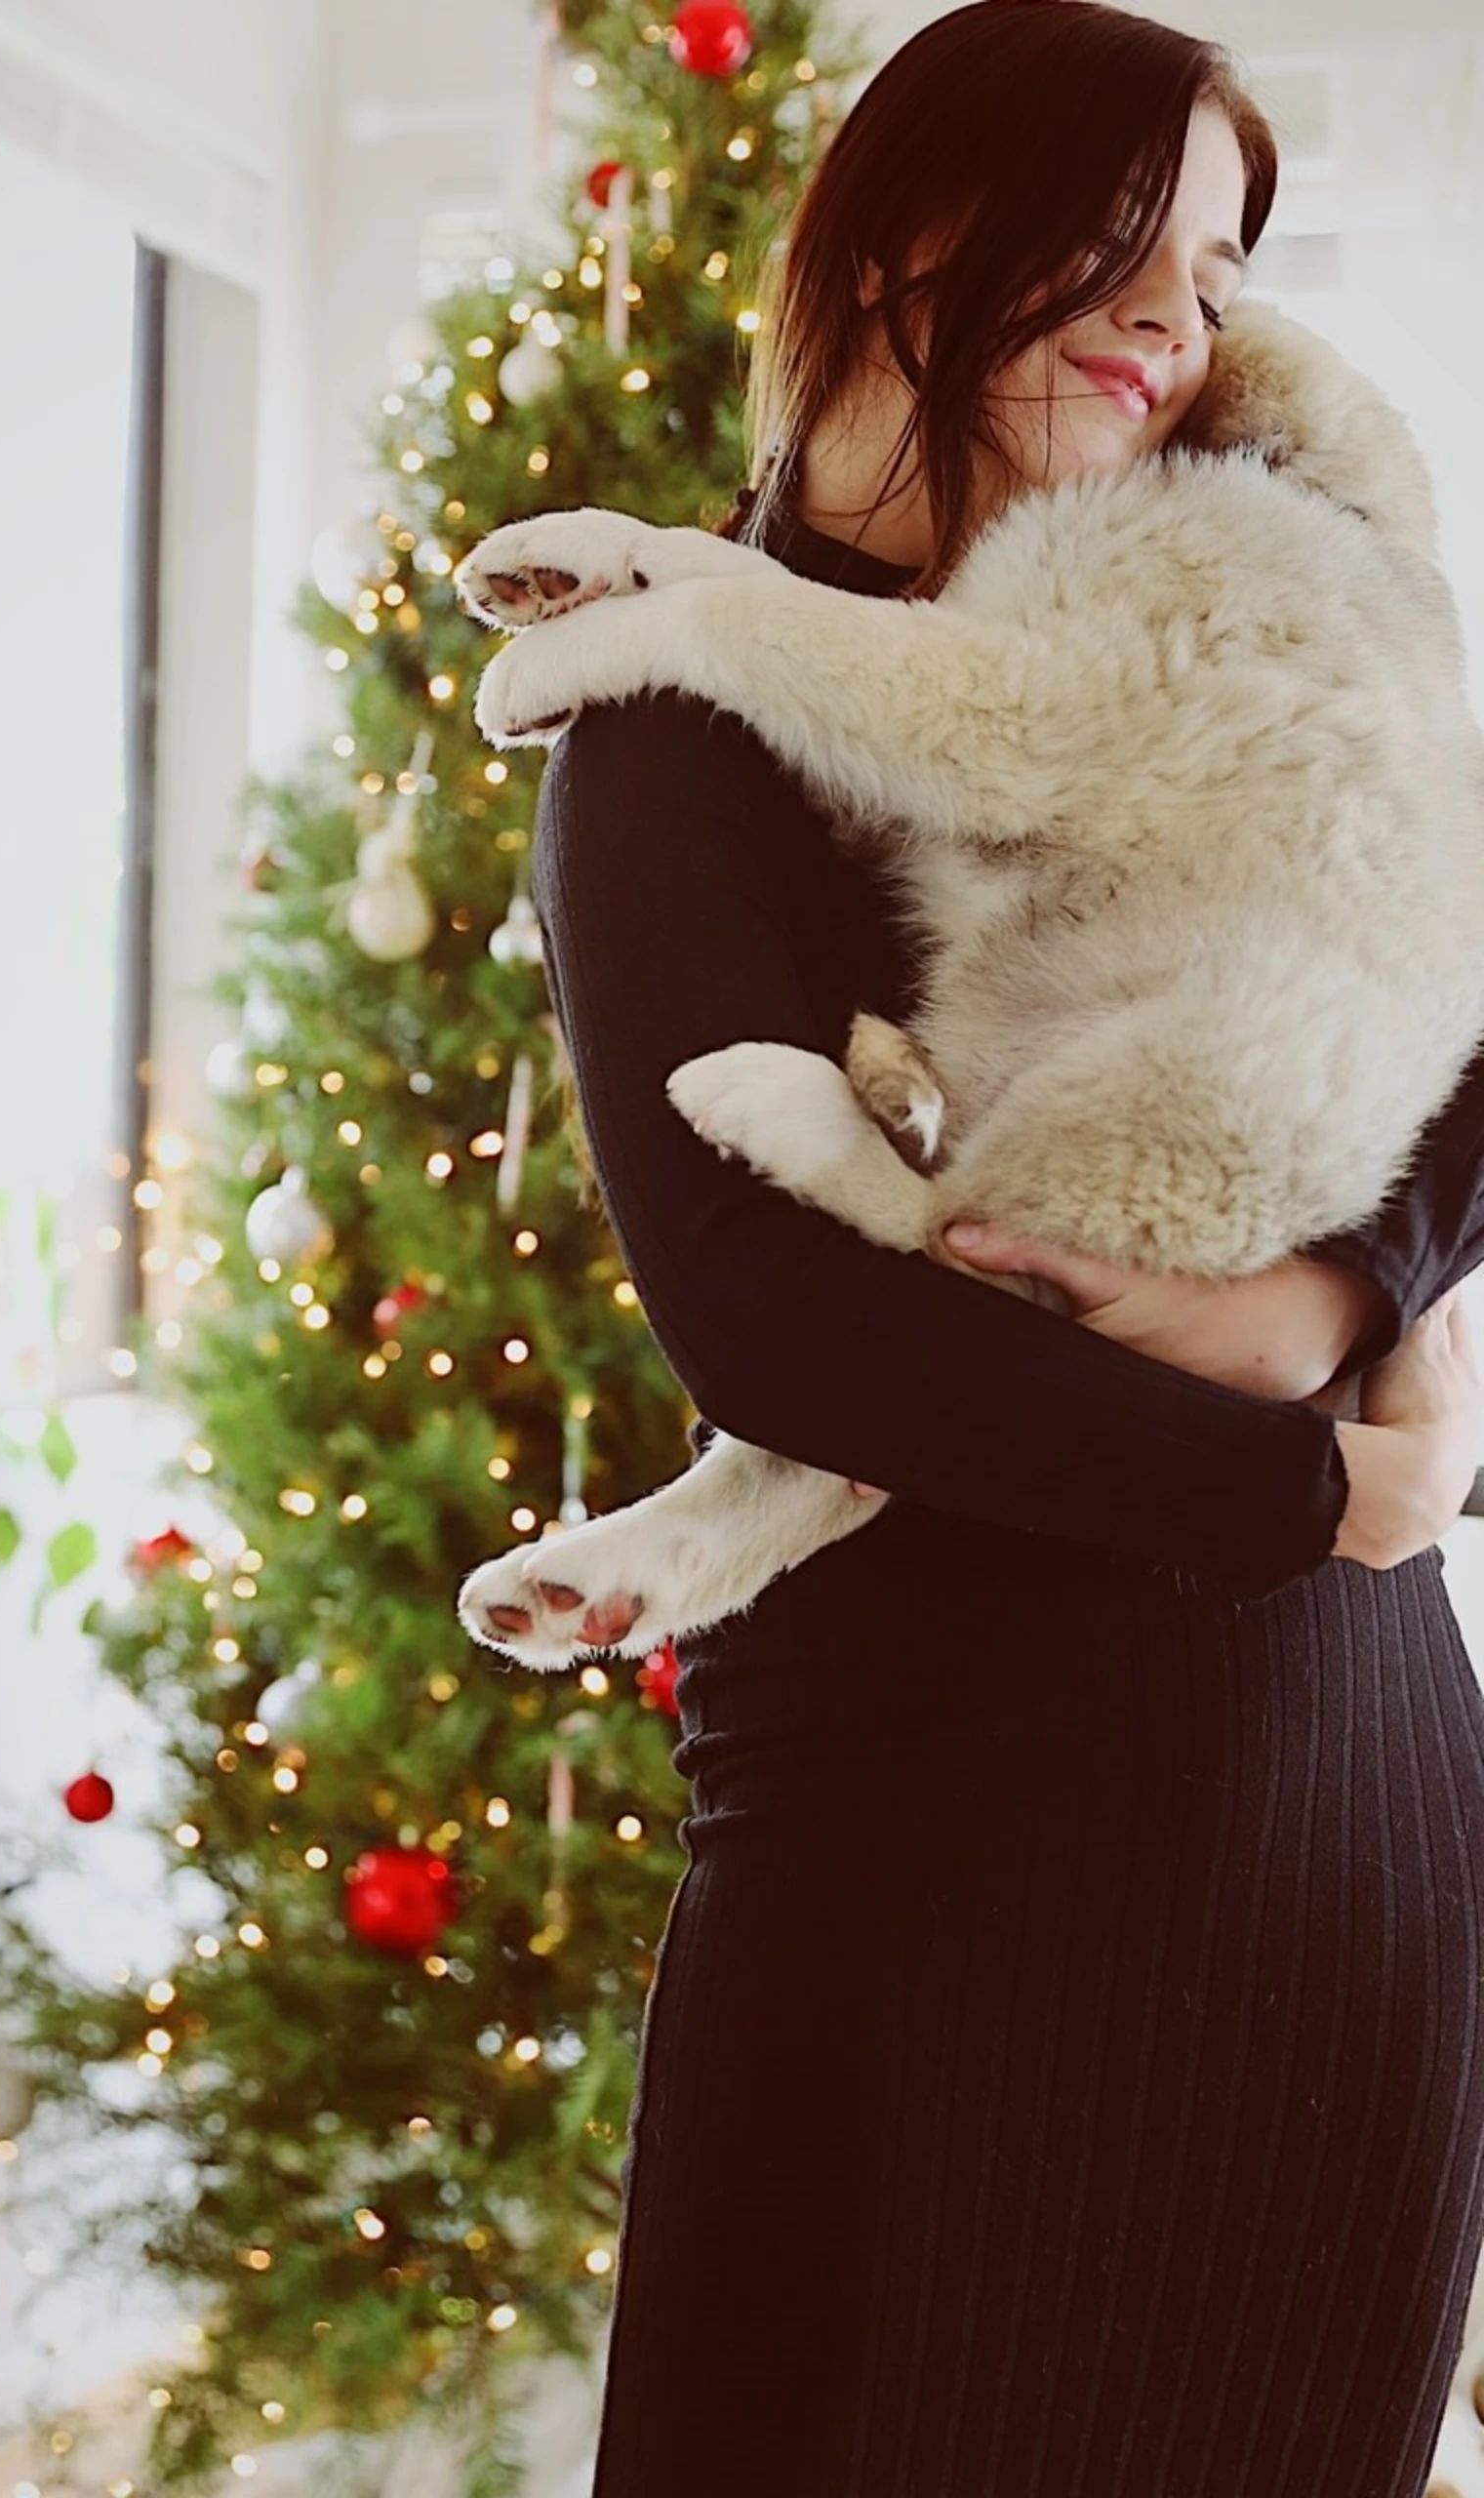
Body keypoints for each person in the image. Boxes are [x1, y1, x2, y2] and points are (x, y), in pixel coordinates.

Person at [525, 5, 1484, 2491]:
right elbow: (769, 1310)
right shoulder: (675, 714)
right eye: (1121, 236)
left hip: (1338, 1818)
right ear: (908, 230)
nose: (1175, 315)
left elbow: (1456, 1000)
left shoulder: (1252, 609)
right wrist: (1307, 1482)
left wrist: (1338, 1300)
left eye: (1218, 264)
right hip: (933, 1845)